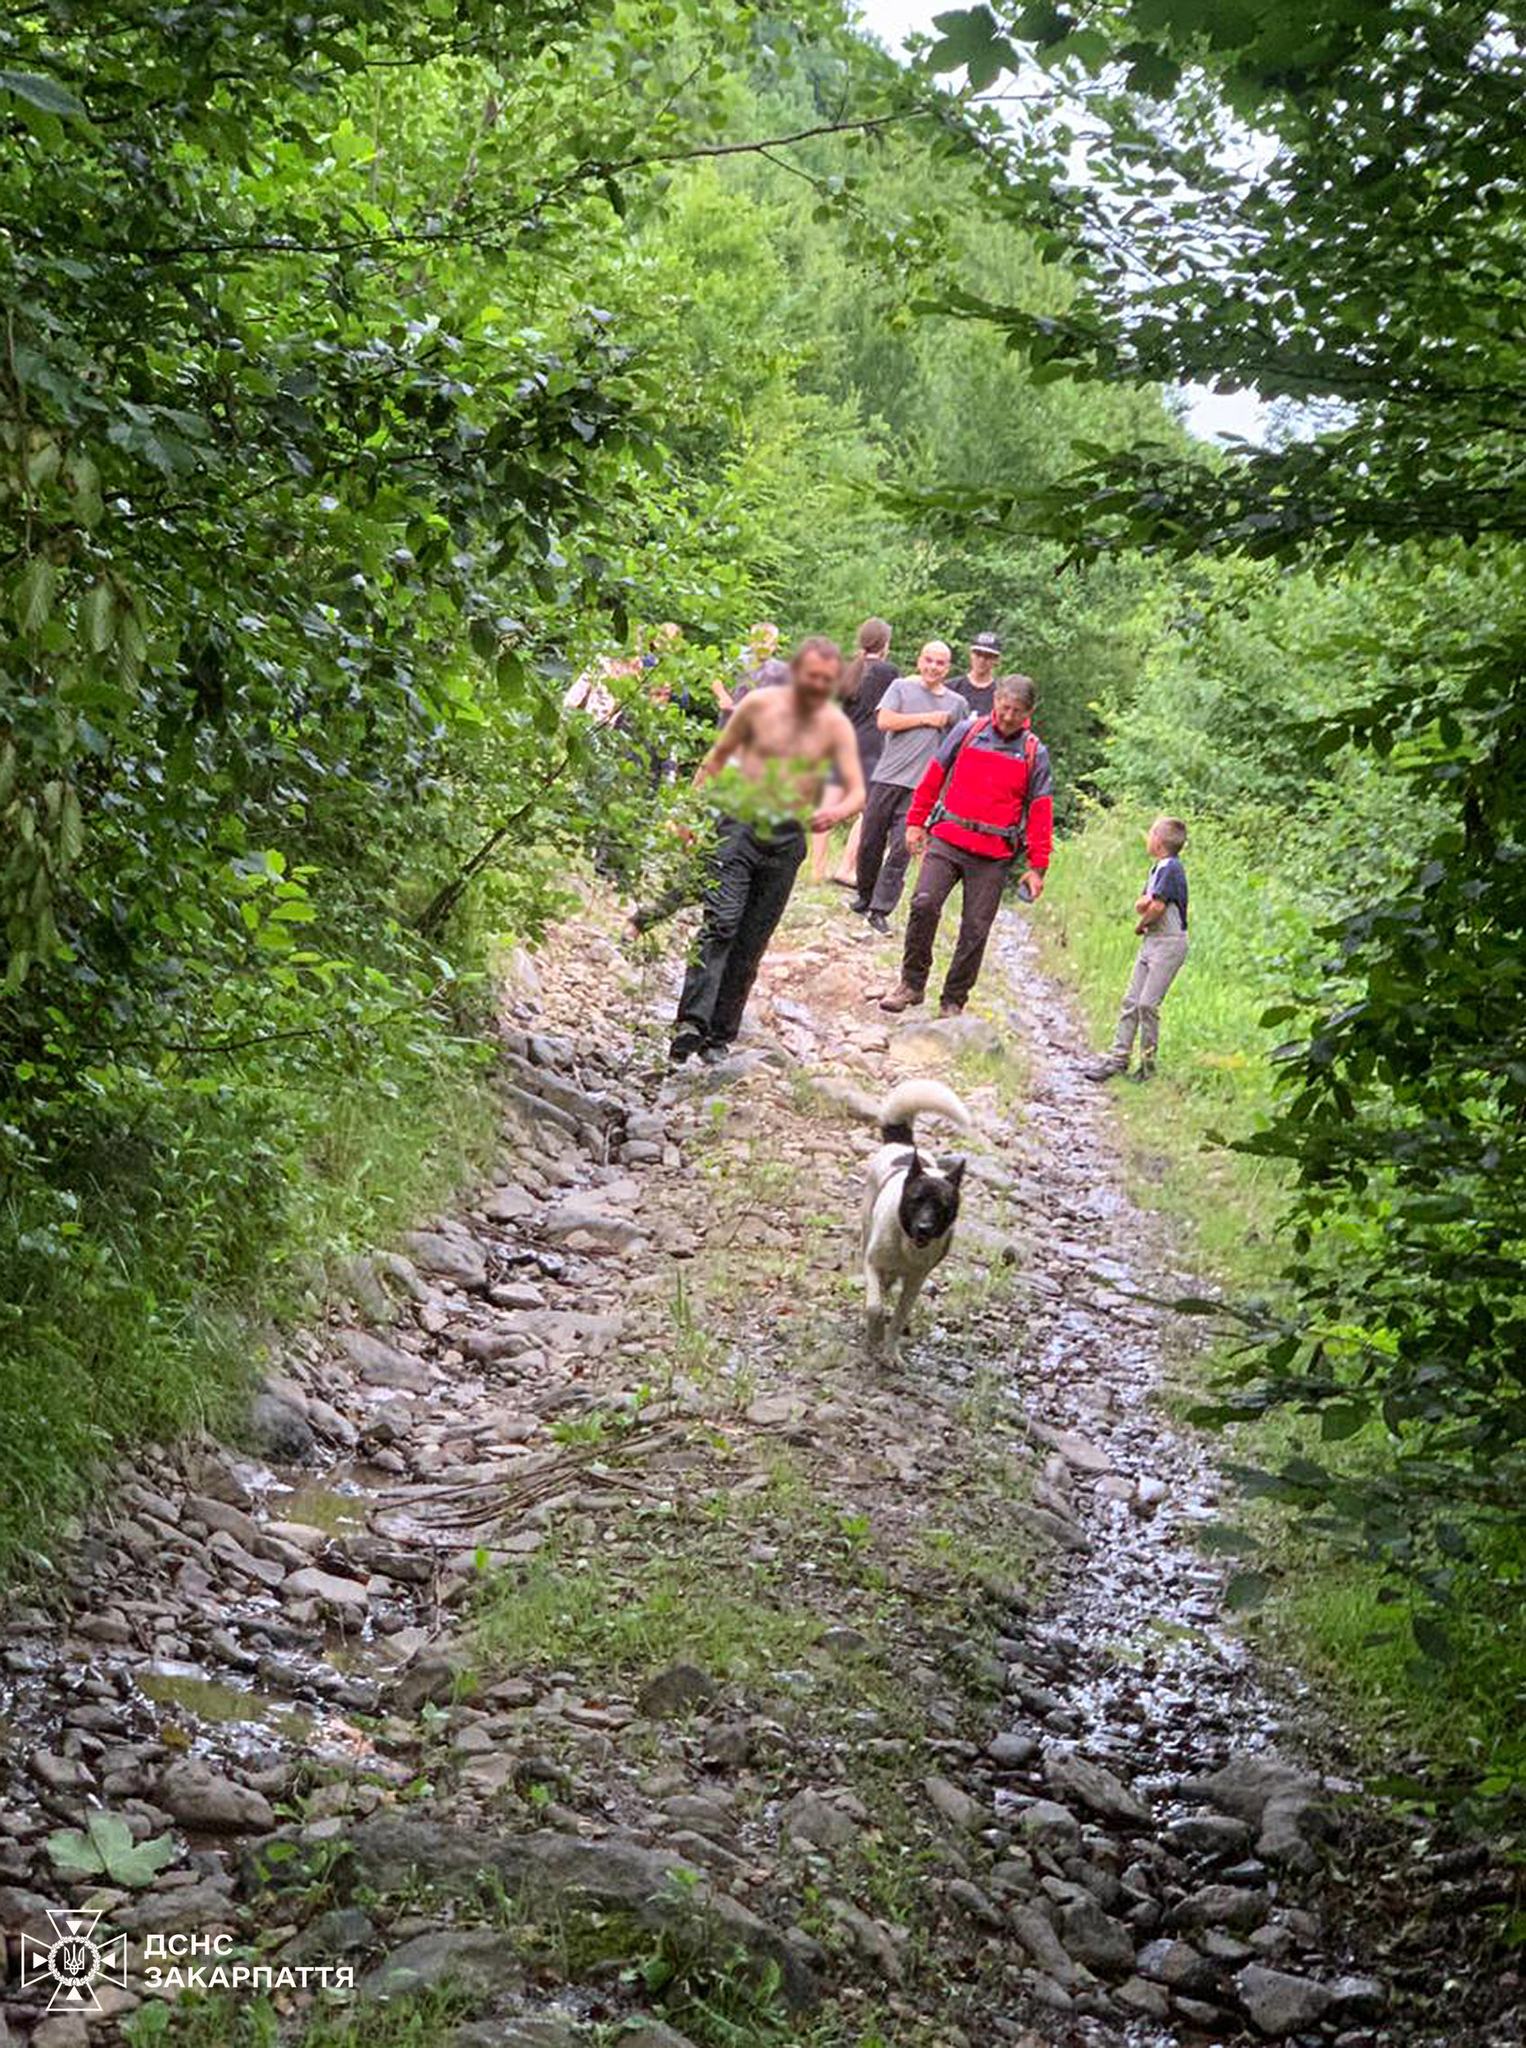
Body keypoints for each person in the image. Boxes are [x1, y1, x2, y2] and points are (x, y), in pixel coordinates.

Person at [671, 638, 864, 1065]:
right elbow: (715, 759)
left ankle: (720, 1035)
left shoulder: (833, 726)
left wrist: (834, 814)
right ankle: (690, 1023)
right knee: (721, 923)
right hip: (737, 825)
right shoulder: (757, 706)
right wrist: (686, 813)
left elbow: (857, 792)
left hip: (787, 838)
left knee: (751, 938)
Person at [878, 674, 1054, 1016]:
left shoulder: (1035, 753)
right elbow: (933, 777)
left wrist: (1037, 866)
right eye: (1004, 708)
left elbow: (1040, 812)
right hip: (948, 837)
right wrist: (916, 822)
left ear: (1029, 712)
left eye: (1016, 712)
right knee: (924, 903)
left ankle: (953, 1000)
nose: (1007, 716)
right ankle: (911, 984)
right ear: (995, 702)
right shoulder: (967, 732)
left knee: (975, 928)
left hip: (994, 854)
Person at [850, 640, 958, 936]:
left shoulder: (956, 704)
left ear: (948, 668)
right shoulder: (900, 687)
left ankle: (880, 909)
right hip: (887, 776)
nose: (933, 667)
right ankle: (864, 895)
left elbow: (960, 745)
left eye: (940, 663)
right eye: (929, 660)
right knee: (871, 840)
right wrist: (926, 719)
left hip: (922, 787)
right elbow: (884, 720)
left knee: (901, 847)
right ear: (919, 660)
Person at [1083, 818, 1190, 1082]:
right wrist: (1145, 908)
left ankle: (1147, 1066)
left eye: (1150, 833)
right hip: (1152, 940)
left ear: (1158, 841)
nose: (1147, 838)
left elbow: (1156, 907)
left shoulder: (1171, 869)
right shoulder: (1157, 869)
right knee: (1131, 1001)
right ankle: (1118, 1059)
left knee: (1147, 1004)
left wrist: (1141, 922)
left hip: (1168, 942)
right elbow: (1144, 901)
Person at [810, 617, 897, 885]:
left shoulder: (848, 670)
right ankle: (847, 867)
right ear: (885, 644)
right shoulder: (887, 672)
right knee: (869, 809)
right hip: (870, 744)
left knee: (828, 802)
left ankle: (817, 869)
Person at [714, 621, 789, 715]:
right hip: (731, 719)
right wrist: (723, 696)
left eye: (771, 644)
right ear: (751, 642)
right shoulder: (738, 662)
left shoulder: (781, 670)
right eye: (762, 642)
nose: (766, 647)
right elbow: (717, 680)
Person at [949, 630, 1002, 719]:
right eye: (978, 654)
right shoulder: (951, 687)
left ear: (996, 660)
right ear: (971, 654)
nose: (982, 660)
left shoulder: (1001, 692)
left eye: (988, 656)